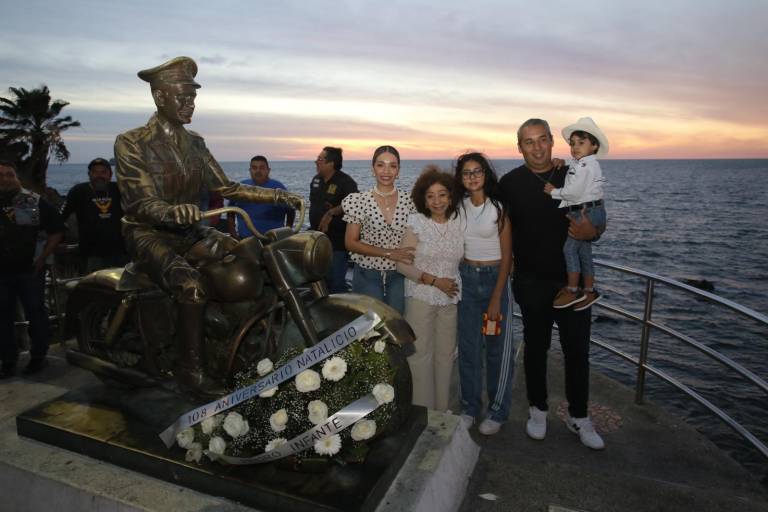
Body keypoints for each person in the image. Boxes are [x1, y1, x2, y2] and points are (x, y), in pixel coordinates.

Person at [114, 56, 302, 396]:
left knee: (251, 258)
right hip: (148, 234)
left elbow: (227, 187)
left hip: (190, 231)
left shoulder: (195, 143)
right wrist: (172, 212)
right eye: (183, 97)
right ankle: (191, 371)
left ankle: (237, 341)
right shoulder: (131, 142)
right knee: (191, 286)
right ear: (159, 97)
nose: (191, 104)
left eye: (193, 97)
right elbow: (140, 201)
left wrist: (278, 198)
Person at [499, 118, 605, 449]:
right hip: (531, 281)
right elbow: (498, 228)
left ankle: (579, 416)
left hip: (570, 285)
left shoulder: (571, 172)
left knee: (577, 351)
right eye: (528, 142)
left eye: (542, 139)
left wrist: (595, 231)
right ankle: (538, 409)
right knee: (535, 349)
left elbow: (598, 212)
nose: (537, 147)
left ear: (551, 142)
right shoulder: (509, 184)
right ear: (519, 147)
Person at [454, 152, 515, 435]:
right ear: (461, 178)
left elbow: (507, 257)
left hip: (494, 282)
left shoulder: (498, 209)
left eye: (477, 171)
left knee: (496, 350)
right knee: (467, 349)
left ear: (485, 174)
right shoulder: (459, 208)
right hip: (466, 279)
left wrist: (496, 298)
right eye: (466, 173)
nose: (472, 177)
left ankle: (497, 411)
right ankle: (469, 407)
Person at [396, 165, 463, 412]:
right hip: (421, 298)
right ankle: (422, 412)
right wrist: (434, 281)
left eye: (442, 194)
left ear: (451, 196)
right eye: (431, 196)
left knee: (445, 357)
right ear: (423, 199)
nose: (437, 201)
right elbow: (402, 265)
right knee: (420, 357)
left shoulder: (459, 221)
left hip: (450, 300)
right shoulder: (417, 223)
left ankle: (441, 410)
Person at [0, 160, 64, 378]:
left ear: (17, 177)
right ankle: (8, 360)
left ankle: (38, 357)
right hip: (2, 273)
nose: (6, 178)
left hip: (30, 270)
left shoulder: (32, 201)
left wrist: (43, 258)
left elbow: (56, 230)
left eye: (10, 174)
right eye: (1, 175)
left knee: (36, 313)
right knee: (3, 317)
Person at [544, 117, 607, 311]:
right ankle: (588, 290)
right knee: (584, 252)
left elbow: (574, 192)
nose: (575, 147)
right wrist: (561, 163)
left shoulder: (586, 167)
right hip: (591, 209)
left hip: (586, 212)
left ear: (594, 145)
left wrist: (553, 191)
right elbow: (574, 176)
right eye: (572, 143)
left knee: (570, 250)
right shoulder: (581, 165)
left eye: (581, 143)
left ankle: (572, 290)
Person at [343, 145, 415, 314]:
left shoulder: (410, 201)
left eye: (393, 165)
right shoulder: (359, 200)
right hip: (368, 273)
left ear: (398, 171)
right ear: (372, 168)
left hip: (400, 274)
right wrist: (389, 253)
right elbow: (350, 243)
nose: (386, 171)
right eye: (380, 165)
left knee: (396, 328)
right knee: (369, 330)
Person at [60, 157, 128, 273]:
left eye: (103, 172)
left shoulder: (119, 189)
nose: (99, 176)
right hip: (90, 254)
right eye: (95, 172)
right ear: (89, 174)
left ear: (110, 175)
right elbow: (61, 217)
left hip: (120, 252)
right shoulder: (78, 191)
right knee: (93, 287)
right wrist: (60, 240)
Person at [309, 147, 358, 293]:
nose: (316, 162)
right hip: (318, 239)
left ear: (331, 163)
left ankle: (339, 312)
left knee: (336, 282)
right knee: (320, 280)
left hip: (337, 242)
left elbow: (356, 202)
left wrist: (332, 212)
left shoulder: (346, 182)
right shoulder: (316, 180)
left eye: (320, 159)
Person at [227, 155, 295, 237]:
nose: (258, 171)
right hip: (246, 241)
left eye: (262, 168)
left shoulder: (278, 188)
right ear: (250, 170)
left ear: (268, 170)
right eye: (254, 168)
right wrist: (233, 233)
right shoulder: (241, 188)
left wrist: (286, 233)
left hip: (273, 241)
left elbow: (291, 211)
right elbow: (230, 210)